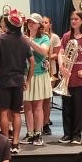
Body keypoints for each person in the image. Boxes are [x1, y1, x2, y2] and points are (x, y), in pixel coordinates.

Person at [0, 9, 34, 154]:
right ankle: (15, 143)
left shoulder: (0, 38)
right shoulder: (24, 40)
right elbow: (32, 62)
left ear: (7, 24)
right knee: (16, 113)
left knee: (3, 112)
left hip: (4, 80)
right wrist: (27, 79)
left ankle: (4, 144)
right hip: (18, 80)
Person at [58, 11, 82, 145]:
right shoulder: (66, 36)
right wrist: (61, 67)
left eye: (76, 19)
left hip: (81, 78)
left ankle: (76, 135)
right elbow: (61, 52)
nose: (73, 21)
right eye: (72, 19)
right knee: (66, 107)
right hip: (68, 77)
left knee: (78, 108)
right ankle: (67, 134)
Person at [22, 14, 51, 146]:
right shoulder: (23, 37)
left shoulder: (44, 38)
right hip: (25, 74)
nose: (30, 24)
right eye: (29, 22)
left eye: (33, 22)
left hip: (39, 75)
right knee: (27, 105)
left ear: (39, 25)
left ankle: (38, 134)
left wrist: (30, 42)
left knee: (38, 106)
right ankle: (30, 133)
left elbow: (44, 52)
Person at [41, 16, 60, 136]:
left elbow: (57, 54)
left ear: (50, 25)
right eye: (42, 22)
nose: (43, 24)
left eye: (46, 22)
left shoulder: (54, 37)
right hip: (39, 69)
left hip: (50, 69)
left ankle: (45, 123)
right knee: (39, 99)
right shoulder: (38, 37)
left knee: (47, 99)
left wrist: (46, 55)